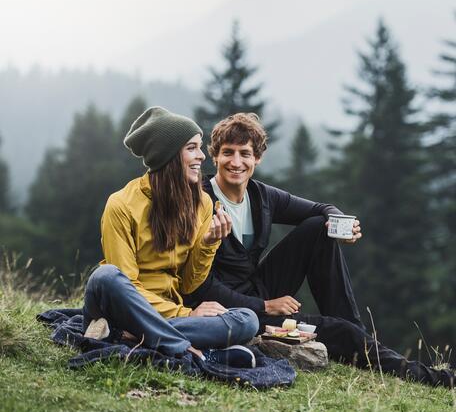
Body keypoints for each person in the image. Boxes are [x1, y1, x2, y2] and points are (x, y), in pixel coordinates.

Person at [184, 112, 455, 387]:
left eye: (245, 153)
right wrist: (265, 305)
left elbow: (321, 209)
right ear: (215, 156)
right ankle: (434, 378)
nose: (236, 162)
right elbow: (199, 287)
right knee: (341, 333)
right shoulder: (199, 199)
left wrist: (343, 226)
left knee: (318, 227)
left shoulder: (260, 195)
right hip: (227, 308)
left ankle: (357, 336)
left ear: (257, 159)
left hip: (256, 287)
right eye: (228, 153)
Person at [82, 107, 259, 368]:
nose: (201, 156)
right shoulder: (121, 205)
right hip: (126, 310)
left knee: (247, 320)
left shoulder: (201, 203)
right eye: (192, 148)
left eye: (200, 147)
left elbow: (187, 286)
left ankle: (135, 338)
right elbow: (126, 285)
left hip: (168, 317)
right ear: (168, 155)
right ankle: (195, 353)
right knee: (105, 276)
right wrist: (185, 313)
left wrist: (208, 245)